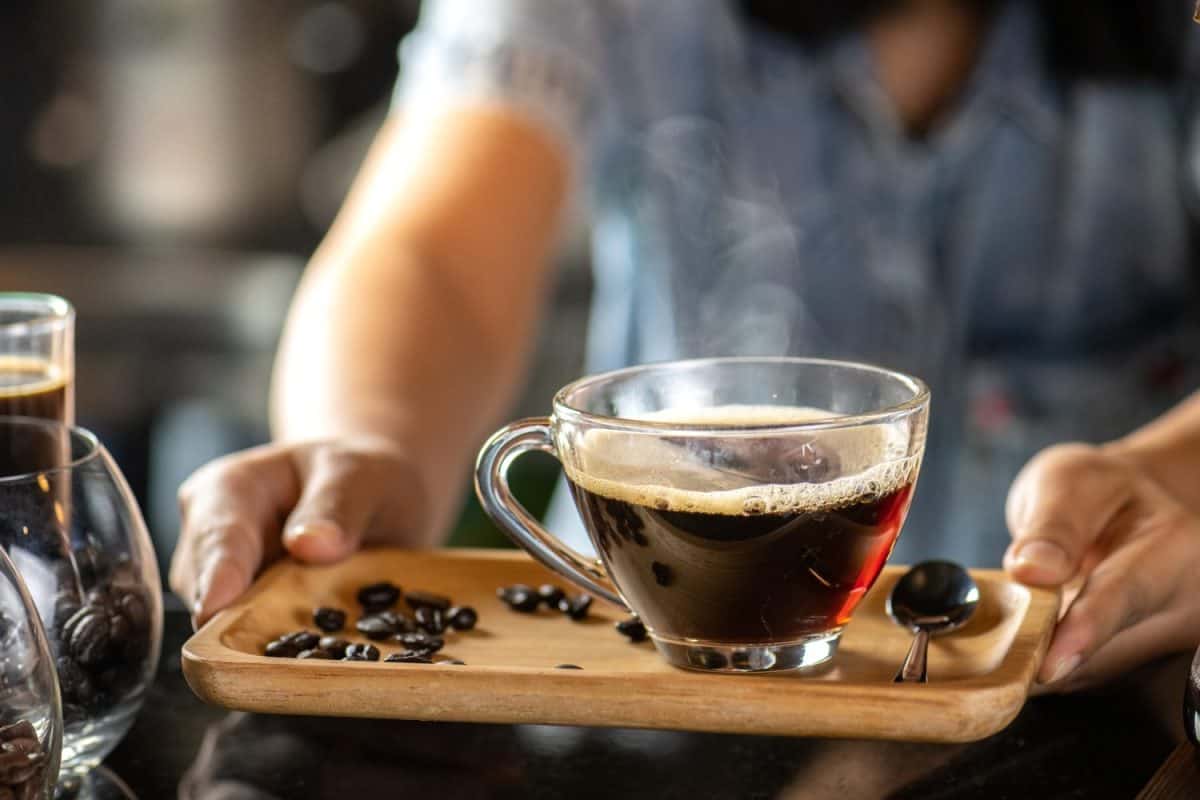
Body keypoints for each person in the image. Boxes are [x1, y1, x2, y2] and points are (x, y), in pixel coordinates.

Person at [170, 0, 1200, 692]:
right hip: (650, 712)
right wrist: (368, 441)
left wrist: (1174, 474)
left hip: (1111, 706)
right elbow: (431, 250)